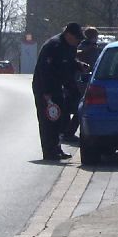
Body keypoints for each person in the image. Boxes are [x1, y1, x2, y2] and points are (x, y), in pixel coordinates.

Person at [32, 22, 84, 160]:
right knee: (49, 119)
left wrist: (79, 65)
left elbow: (69, 61)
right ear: (68, 34)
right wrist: (47, 92)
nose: (78, 41)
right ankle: (49, 151)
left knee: (60, 119)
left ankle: (57, 147)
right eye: (76, 38)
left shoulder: (70, 46)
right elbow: (45, 70)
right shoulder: (53, 46)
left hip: (60, 86)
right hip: (45, 88)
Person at [65, 27, 103, 140]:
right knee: (83, 106)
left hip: (85, 79)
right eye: (95, 36)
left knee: (81, 106)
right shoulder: (84, 46)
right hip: (82, 80)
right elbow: (78, 56)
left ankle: (70, 131)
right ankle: (70, 132)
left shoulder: (92, 47)